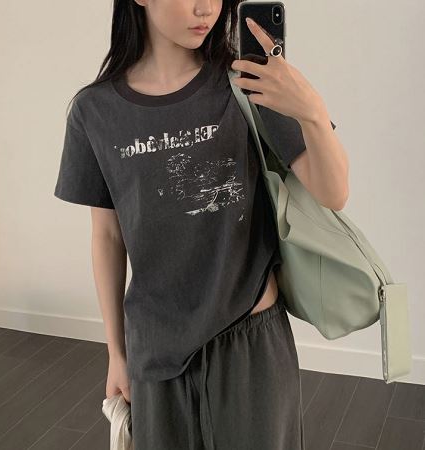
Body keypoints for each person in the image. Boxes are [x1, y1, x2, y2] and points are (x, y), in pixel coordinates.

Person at [54, 0, 348, 448]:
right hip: (155, 350)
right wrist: (116, 352)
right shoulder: (94, 111)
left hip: (249, 343)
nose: (206, 7)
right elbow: (108, 235)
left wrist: (311, 112)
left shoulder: (246, 83)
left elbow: (334, 193)